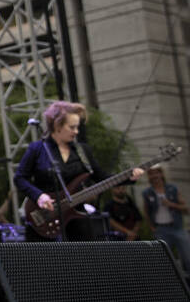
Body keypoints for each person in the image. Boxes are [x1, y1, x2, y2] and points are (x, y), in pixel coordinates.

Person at [14, 101, 144, 241]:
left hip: (76, 215)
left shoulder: (82, 151)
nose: (76, 131)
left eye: (77, 127)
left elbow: (100, 177)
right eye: (72, 127)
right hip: (44, 214)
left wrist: (128, 177)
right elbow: (19, 178)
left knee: (84, 257)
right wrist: (39, 196)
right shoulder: (38, 149)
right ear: (57, 126)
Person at [141, 165, 190, 273]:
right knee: (164, 261)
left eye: (156, 173)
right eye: (151, 173)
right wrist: (152, 227)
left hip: (177, 228)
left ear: (162, 174)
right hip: (161, 230)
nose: (154, 176)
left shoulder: (172, 189)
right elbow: (146, 212)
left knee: (187, 257)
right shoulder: (147, 193)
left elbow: (185, 209)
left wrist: (171, 204)